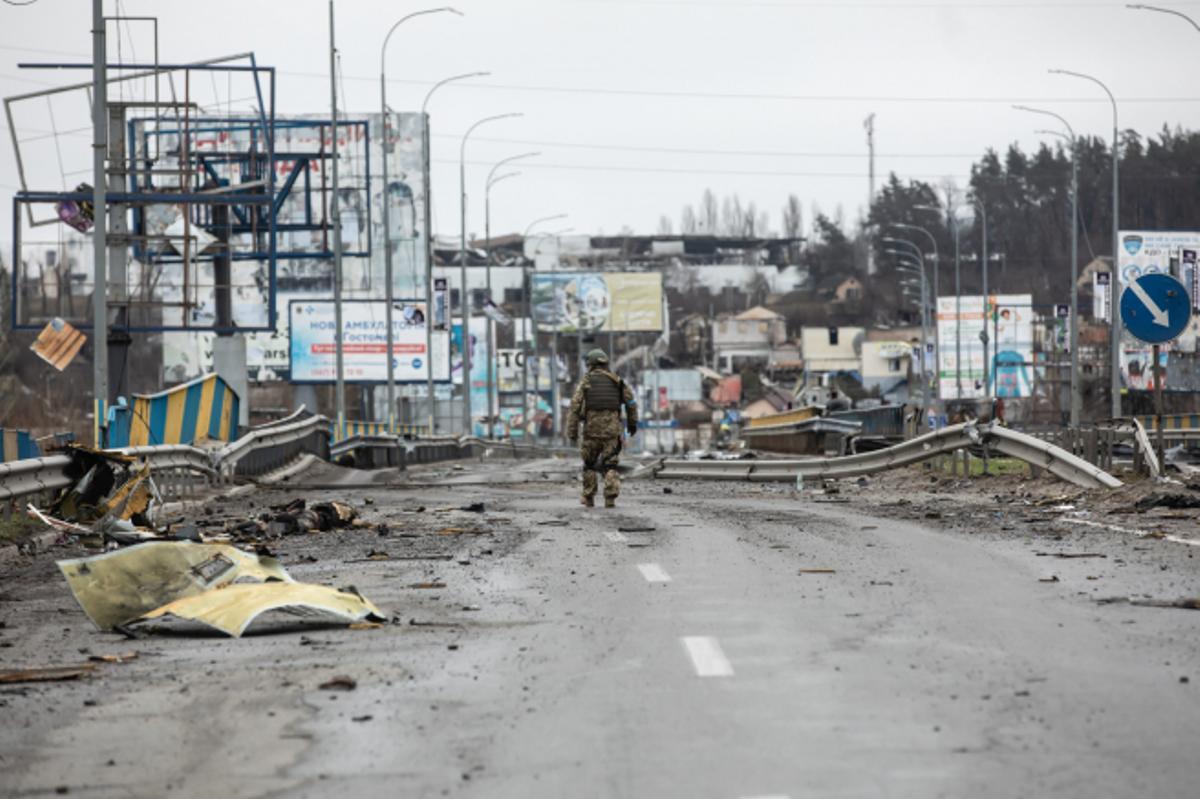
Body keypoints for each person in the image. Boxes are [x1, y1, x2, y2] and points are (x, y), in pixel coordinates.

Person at [567, 349, 638, 508]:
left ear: (590, 365)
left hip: (591, 432)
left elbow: (575, 408)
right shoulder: (618, 382)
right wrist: (633, 424)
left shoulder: (585, 383)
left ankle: (589, 497)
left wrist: (572, 432)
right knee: (610, 464)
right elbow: (631, 404)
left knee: (590, 465)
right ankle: (610, 498)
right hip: (612, 432)